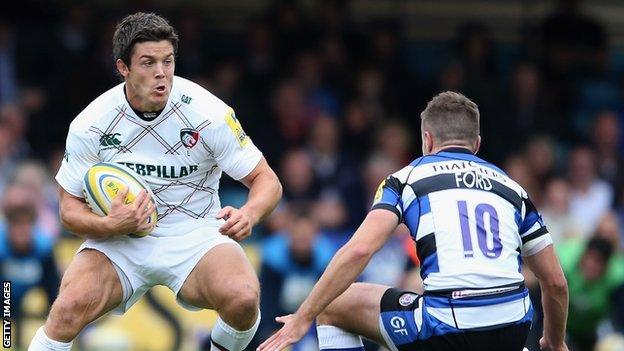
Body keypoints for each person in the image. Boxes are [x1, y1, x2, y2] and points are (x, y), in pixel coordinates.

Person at [28, 12, 282, 351]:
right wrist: (109, 224)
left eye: (168, 61)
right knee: (67, 310)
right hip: (120, 240)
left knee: (243, 299)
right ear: (123, 68)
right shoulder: (91, 123)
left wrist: (250, 213)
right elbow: (67, 211)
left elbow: (267, 180)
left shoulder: (209, 114)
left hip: (194, 233)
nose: (161, 73)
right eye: (148, 63)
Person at [259, 91, 569, 351]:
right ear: (476, 143)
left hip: (448, 328)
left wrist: (303, 317)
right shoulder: (512, 187)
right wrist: (554, 344)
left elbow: (358, 251)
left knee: (334, 304)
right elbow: (555, 283)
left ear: (427, 139)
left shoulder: (406, 179)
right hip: (513, 330)